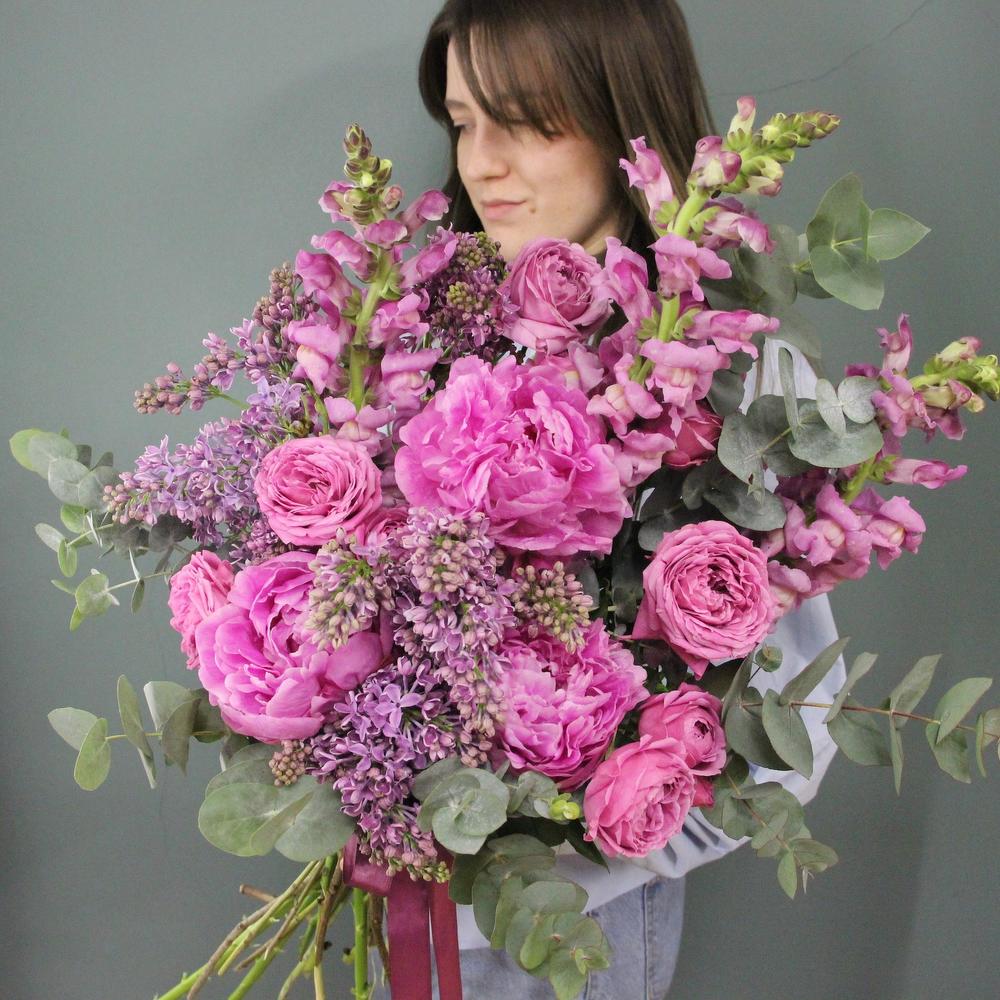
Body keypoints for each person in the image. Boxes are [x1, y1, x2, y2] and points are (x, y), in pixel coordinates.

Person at [414, 2, 847, 997]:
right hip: (409, 924)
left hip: (573, 943)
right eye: (463, 122)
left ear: (623, 121)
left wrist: (551, 861)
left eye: (524, 121)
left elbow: (796, 732)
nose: (482, 163)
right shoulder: (436, 332)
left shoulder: (736, 377)